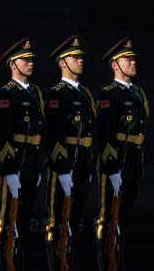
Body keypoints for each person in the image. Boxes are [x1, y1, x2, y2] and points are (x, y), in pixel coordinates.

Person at [43, 36, 97, 271]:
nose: (80, 60)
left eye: (81, 56)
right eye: (75, 57)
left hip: (83, 162)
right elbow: (53, 136)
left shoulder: (85, 93)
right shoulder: (56, 94)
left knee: (75, 221)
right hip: (65, 164)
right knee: (58, 222)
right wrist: (62, 169)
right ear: (63, 62)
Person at [95, 38, 149, 271]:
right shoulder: (109, 94)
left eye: (134, 58)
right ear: (115, 64)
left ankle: (119, 263)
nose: (133, 62)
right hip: (117, 159)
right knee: (108, 219)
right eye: (128, 59)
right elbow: (105, 135)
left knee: (124, 219)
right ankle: (106, 264)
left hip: (135, 158)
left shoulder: (138, 93)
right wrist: (111, 168)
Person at [0, 38, 45, 271]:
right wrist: (8, 170)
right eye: (25, 60)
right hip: (14, 162)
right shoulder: (6, 93)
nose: (30, 63)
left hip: (31, 161)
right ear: (13, 64)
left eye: (31, 59)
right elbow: (2, 136)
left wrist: (39, 166)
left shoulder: (35, 92)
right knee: (7, 221)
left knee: (24, 220)